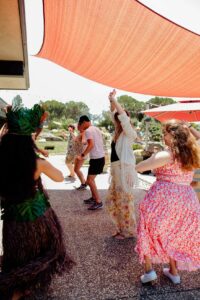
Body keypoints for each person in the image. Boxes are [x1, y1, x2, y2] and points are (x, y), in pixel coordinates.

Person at [0, 99, 74, 300]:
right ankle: (20, 288)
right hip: (36, 219)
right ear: (28, 142)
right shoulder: (37, 164)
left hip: (13, 221)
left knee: (16, 256)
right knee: (39, 253)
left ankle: (18, 288)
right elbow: (60, 176)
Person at [135, 119, 200, 284]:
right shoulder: (193, 153)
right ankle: (174, 271)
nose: (163, 136)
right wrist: (190, 127)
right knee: (175, 233)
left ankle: (149, 271)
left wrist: (154, 156)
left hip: (163, 197)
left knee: (148, 228)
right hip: (186, 199)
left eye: (165, 133)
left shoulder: (167, 154)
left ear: (173, 135)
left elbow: (140, 167)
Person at [105, 89, 138, 239]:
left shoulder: (129, 133)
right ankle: (120, 228)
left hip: (123, 171)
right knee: (114, 200)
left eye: (120, 116)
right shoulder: (117, 132)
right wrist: (110, 101)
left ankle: (129, 231)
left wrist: (115, 100)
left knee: (125, 201)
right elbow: (113, 113)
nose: (118, 118)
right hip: (116, 170)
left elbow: (122, 116)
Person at [77, 115, 105, 210]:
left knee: (89, 181)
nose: (81, 126)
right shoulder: (95, 128)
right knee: (90, 180)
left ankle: (98, 201)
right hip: (99, 157)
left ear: (84, 122)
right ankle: (93, 198)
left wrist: (82, 155)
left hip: (97, 159)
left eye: (81, 124)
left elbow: (91, 145)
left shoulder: (88, 130)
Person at [74, 123, 87, 190]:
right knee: (76, 169)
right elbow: (75, 139)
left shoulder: (84, 132)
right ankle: (84, 182)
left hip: (81, 154)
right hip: (78, 153)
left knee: (76, 169)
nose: (77, 127)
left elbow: (84, 141)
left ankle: (84, 184)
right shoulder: (80, 133)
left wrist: (83, 141)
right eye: (77, 126)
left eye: (78, 126)